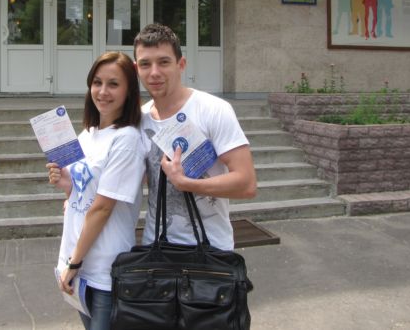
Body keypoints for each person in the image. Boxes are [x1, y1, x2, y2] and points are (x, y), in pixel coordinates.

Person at [134, 23, 257, 250]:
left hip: (209, 251)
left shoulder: (212, 109)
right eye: (145, 64)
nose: (154, 72)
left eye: (164, 62)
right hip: (156, 249)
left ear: (181, 64)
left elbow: (246, 184)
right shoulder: (139, 120)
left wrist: (187, 184)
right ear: (136, 69)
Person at [46, 51, 145, 330]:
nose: (103, 92)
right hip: (75, 263)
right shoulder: (86, 135)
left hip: (104, 269)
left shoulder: (126, 139)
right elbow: (82, 196)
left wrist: (75, 263)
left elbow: (102, 208)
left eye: (113, 84)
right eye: (97, 82)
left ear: (129, 91)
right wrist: (66, 184)